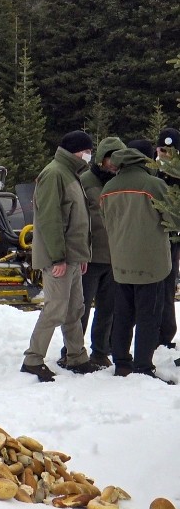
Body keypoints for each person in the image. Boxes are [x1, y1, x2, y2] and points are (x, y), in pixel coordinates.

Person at [20, 131, 101, 382]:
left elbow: (77, 218)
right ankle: (33, 359)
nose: (90, 155)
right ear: (78, 151)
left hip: (72, 257)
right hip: (60, 258)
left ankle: (77, 357)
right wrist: (58, 258)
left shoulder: (70, 173)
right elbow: (51, 220)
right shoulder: (55, 173)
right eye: (88, 150)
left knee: (74, 308)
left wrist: (81, 255)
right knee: (55, 309)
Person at [101, 142, 175, 384]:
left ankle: (122, 362)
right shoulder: (154, 185)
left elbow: (106, 221)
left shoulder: (108, 188)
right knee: (148, 317)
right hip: (150, 262)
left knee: (123, 314)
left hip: (120, 260)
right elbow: (173, 218)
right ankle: (143, 367)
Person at [57, 136, 121, 368]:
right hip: (89, 257)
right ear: (102, 158)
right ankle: (71, 352)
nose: (113, 163)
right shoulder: (84, 181)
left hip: (115, 257)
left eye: (118, 158)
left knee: (108, 310)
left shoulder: (122, 182)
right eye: (110, 158)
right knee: (79, 310)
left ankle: (100, 351)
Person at [155, 128, 180, 349]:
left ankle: (166, 332)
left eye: (170, 151)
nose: (165, 154)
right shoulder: (153, 173)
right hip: (154, 236)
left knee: (168, 285)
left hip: (173, 239)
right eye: (163, 149)